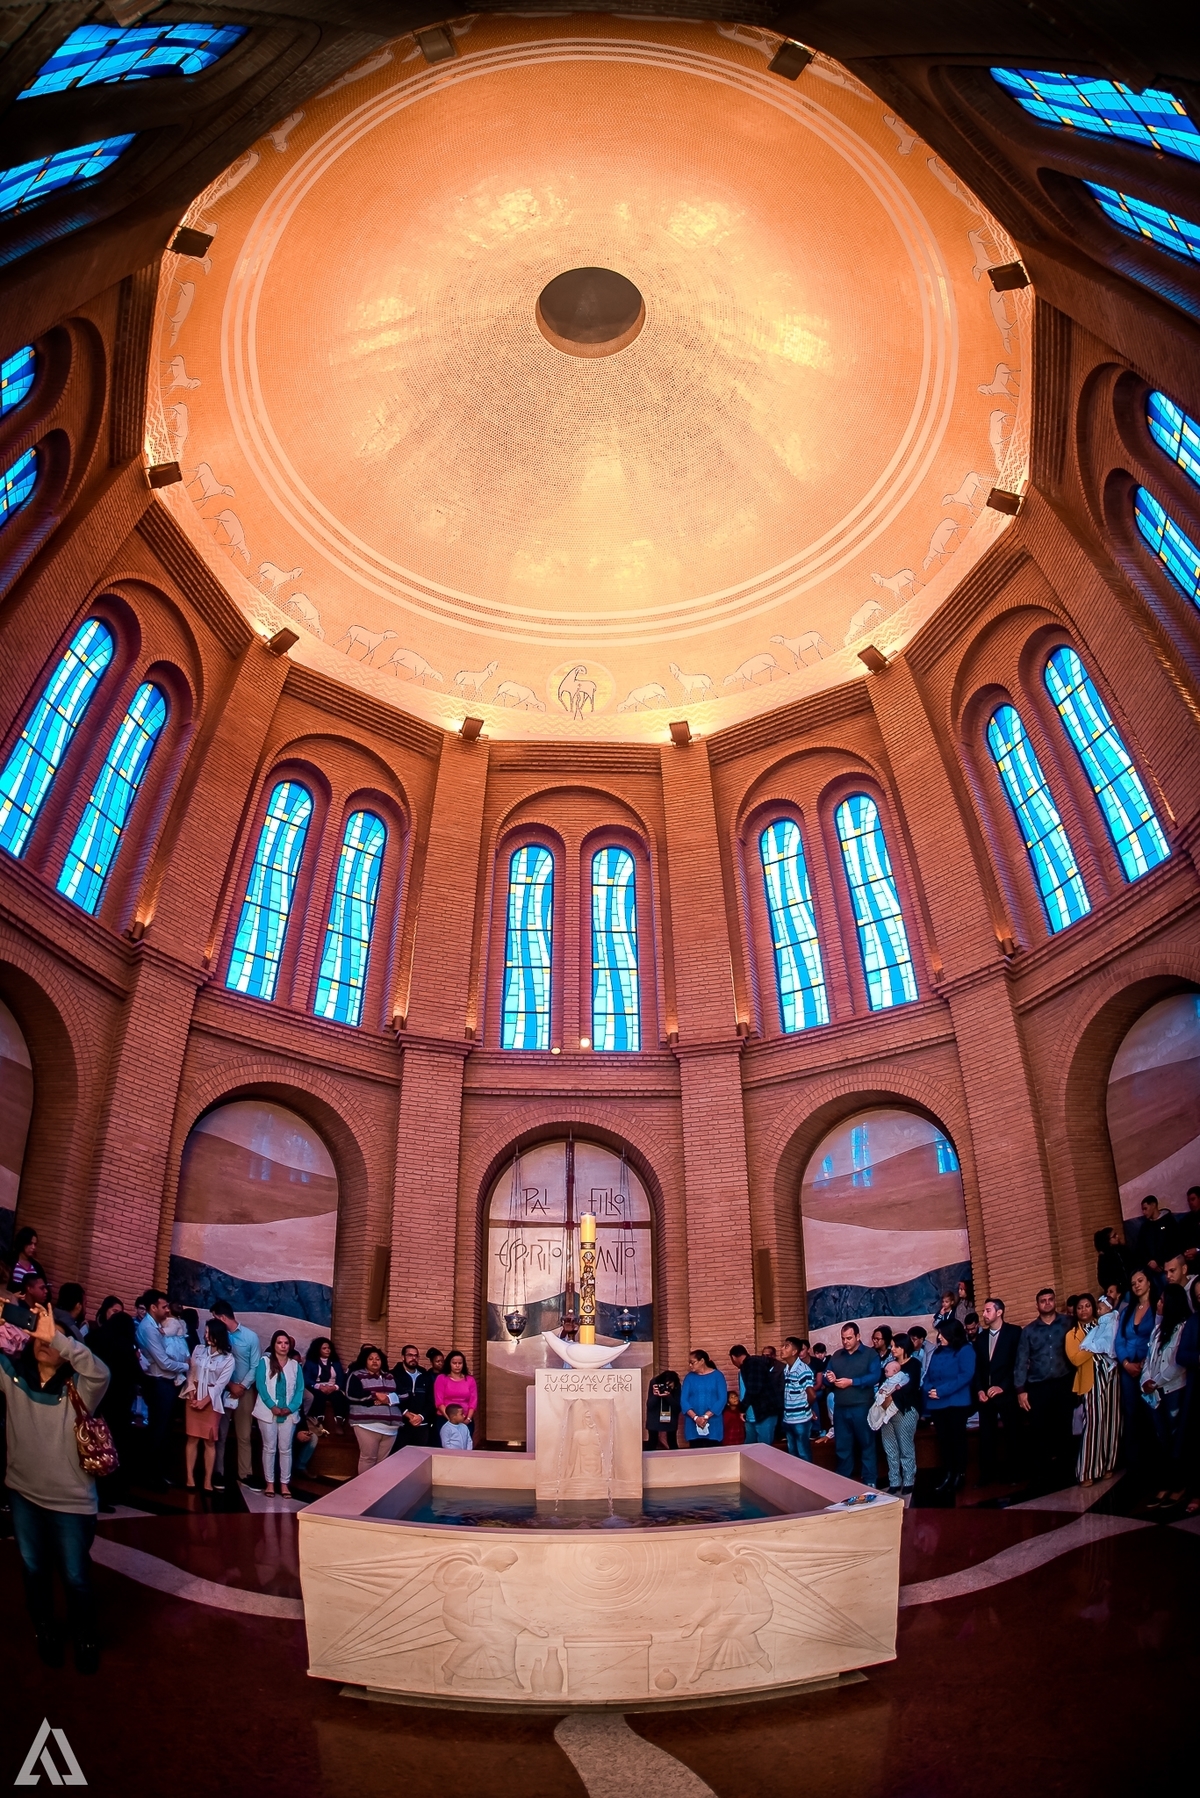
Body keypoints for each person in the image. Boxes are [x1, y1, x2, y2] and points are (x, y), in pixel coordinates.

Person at [0, 1301, 110, 1672]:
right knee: (33, 1569)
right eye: (40, 1335)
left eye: (55, 1338)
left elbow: (101, 1371)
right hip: (23, 1493)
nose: (45, 1342)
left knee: (75, 1575)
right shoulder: (13, 1376)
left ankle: (85, 1636)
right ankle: (45, 1629)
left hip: (71, 1501)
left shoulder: (81, 1387)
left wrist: (59, 1338)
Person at [1014, 1287, 1075, 1490]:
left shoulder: (1068, 1323)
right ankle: (1042, 1475)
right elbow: (1021, 1360)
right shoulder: (1029, 1331)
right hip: (1038, 1386)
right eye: (1043, 1300)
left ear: (1054, 1301)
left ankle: (1067, 1473)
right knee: (1039, 1431)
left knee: (1064, 1428)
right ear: (1037, 1305)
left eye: (1050, 1299)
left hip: (1063, 1382)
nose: (1047, 1303)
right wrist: (1020, 1390)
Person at [1142, 1284, 1190, 1508]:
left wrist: (1157, 1381)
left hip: (1173, 1389)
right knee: (1162, 1439)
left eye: (1162, 1300)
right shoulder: (1157, 1330)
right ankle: (1166, 1483)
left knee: (1175, 1438)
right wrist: (1145, 1379)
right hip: (1155, 1391)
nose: (1158, 1304)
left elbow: (1178, 1364)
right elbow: (1149, 1358)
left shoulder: (1182, 1328)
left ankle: (1180, 1486)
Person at [1066, 1293, 1121, 1485]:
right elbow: (1075, 1358)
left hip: (1111, 1376)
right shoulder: (1072, 1334)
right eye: (1080, 1307)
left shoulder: (1105, 1323)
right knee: (1093, 1423)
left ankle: (1108, 1464)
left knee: (1112, 1421)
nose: (1084, 1310)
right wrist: (1093, 1348)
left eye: (1087, 1306)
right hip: (1091, 1381)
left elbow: (1113, 1344)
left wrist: (1093, 1347)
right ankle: (1087, 1471)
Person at [89, 1304, 140, 1509]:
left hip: (94, 1402)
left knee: (94, 1448)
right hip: (118, 1406)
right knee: (112, 1449)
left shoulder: (93, 1338)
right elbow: (136, 1375)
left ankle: (93, 1492)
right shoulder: (124, 1346)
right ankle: (109, 1494)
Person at [209, 1300, 261, 1488]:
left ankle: (245, 1473)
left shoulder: (250, 1337)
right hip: (222, 1390)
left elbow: (255, 1366)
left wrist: (242, 1386)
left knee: (244, 1434)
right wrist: (230, 1385)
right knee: (220, 1433)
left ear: (223, 1317)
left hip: (244, 1391)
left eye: (215, 1317)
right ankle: (218, 1472)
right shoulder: (217, 1335)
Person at [134, 1290, 183, 1488]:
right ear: (153, 1307)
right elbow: (163, 1362)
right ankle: (151, 1476)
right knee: (158, 1430)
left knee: (162, 1430)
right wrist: (186, 1366)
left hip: (163, 1382)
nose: (167, 1310)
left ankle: (157, 1473)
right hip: (158, 1382)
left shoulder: (156, 1326)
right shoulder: (149, 1329)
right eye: (164, 1307)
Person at [922, 1319, 976, 1495]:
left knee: (957, 1440)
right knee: (944, 1441)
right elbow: (928, 1375)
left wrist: (941, 1391)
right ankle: (948, 1473)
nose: (939, 1337)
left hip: (956, 1402)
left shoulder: (965, 1350)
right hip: (937, 1403)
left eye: (942, 1333)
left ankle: (960, 1474)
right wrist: (929, 1389)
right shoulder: (937, 1352)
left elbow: (965, 1375)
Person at [825, 1323, 882, 1486]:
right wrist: (829, 1377)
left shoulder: (870, 1354)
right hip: (841, 1408)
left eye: (849, 1338)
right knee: (842, 1446)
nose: (845, 1342)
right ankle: (843, 1481)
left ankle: (870, 1480)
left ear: (858, 1336)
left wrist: (852, 1382)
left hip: (862, 1406)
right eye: (843, 1338)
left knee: (867, 1444)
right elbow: (827, 1375)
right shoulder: (837, 1355)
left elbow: (875, 1376)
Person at [183, 1317, 234, 1491]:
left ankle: (207, 1480)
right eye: (205, 1332)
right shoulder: (198, 1350)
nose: (205, 1336)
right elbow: (191, 1372)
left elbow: (220, 1385)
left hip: (211, 1400)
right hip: (194, 1395)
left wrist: (204, 1401)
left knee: (210, 1440)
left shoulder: (228, 1359)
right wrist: (191, 1393)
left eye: (208, 1333)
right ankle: (190, 1478)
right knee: (192, 1438)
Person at [974, 1297, 1022, 1484]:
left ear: (999, 1312)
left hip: (1007, 1393)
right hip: (986, 1396)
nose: (984, 1314)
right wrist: (980, 1389)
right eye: (984, 1311)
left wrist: (1003, 1386)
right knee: (986, 1436)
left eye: (988, 1310)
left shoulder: (1014, 1332)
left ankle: (1015, 1473)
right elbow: (978, 1368)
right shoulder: (980, 1338)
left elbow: (1018, 1364)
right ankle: (987, 1475)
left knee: (1013, 1434)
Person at [1114, 1267, 1156, 1473]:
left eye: (1140, 1280)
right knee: (1131, 1414)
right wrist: (1126, 1364)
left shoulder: (1158, 1306)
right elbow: (1119, 1340)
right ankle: (1135, 1465)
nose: (1136, 1285)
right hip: (1128, 1368)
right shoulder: (1127, 1311)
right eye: (1133, 1283)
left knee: (1151, 1412)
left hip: (1150, 1367)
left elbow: (1158, 1336)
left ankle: (1155, 1460)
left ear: (1149, 1282)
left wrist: (1145, 1363)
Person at [253, 1331, 304, 1496]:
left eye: (286, 1343)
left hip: (289, 1413)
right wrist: (272, 1406)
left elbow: (300, 1390)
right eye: (279, 1343)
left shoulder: (295, 1366)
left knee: (286, 1449)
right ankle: (269, 1483)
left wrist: (291, 1408)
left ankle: (284, 1484)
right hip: (267, 1411)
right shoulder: (265, 1362)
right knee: (269, 1448)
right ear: (274, 1344)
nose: (283, 1346)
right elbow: (260, 1385)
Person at [877, 1333, 920, 1497]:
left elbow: (911, 1387)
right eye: (892, 1346)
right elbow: (882, 1385)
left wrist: (891, 1396)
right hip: (886, 1411)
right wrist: (884, 1398)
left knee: (905, 1445)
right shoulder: (889, 1364)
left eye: (896, 1346)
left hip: (905, 1409)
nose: (892, 1349)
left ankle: (909, 1479)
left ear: (904, 1347)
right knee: (890, 1446)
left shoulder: (914, 1364)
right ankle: (894, 1480)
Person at [347, 1345, 401, 1471]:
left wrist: (388, 1399)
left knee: (383, 1463)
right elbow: (351, 1395)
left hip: (391, 1428)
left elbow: (404, 1395)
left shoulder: (390, 1376)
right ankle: (364, 1484)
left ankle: (378, 1485)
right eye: (371, 1359)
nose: (375, 1361)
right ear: (365, 1361)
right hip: (367, 1425)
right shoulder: (356, 1375)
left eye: (377, 1359)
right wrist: (374, 1396)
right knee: (368, 1459)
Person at [728, 1344, 782, 1446]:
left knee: (764, 1448)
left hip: (764, 1413)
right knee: (749, 1447)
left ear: (733, 1357)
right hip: (751, 1415)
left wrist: (742, 1408)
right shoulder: (744, 1368)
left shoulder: (753, 1364)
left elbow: (754, 1389)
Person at [390, 1342, 434, 1451]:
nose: (413, 1358)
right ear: (403, 1357)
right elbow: (392, 1398)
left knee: (420, 1456)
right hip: (401, 1424)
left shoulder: (425, 1376)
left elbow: (431, 1400)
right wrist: (407, 1414)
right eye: (410, 1355)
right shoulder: (393, 1375)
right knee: (400, 1456)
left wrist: (421, 1416)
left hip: (422, 1424)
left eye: (416, 1356)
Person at [681, 1349, 727, 1444]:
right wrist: (695, 1418)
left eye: (692, 1362)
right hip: (692, 1422)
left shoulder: (718, 1376)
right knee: (695, 1449)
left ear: (702, 1361)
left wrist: (706, 1416)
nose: (690, 1365)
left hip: (713, 1421)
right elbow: (683, 1400)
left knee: (713, 1449)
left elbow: (722, 1399)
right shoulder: (689, 1377)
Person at [780, 1338, 815, 1460]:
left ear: (794, 1351)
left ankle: (807, 1473)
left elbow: (812, 1395)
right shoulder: (787, 1369)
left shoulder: (802, 1370)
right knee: (792, 1454)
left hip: (800, 1419)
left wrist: (807, 1408)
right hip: (788, 1419)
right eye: (783, 1346)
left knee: (803, 1454)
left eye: (786, 1346)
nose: (782, 1349)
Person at [434, 1350, 478, 1433]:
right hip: (445, 1419)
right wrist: (451, 1420)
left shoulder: (470, 1380)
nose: (457, 1366)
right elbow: (439, 1402)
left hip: (466, 1420)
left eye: (460, 1363)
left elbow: (473, 1402)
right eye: (454, 1363)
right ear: (449, 1364)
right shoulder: (441, 1378)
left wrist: (468, 1419)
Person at [304, 1336, 347, 1422]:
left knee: (338, 1396)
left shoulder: (335, 1362)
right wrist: (319, 1387)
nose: (327, 1350)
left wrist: (335, 1387)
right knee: (319, 1396)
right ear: (318, 1350)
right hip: (317, 1387)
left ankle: (339, 1419)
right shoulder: (311, 1362)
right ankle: (318, 1418)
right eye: (324, 1348)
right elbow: (306, 1378)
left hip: (332, 1386)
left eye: (329, 1348)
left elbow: (341, 1377)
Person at [1136, 1195, 1179, 1279]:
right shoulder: (1145, 1226)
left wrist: (1159, 1261)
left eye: (1145, 1209)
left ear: (1153, 1205)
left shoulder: (1169, 1221)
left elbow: (1173, 1244)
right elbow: (1140, 1247)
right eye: (1142, 1210)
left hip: (1168, 1265)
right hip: (1150, 1268)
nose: (1144, 1212)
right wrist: (1149, 1262)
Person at [646, 1369, 682, 1449]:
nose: (667, 1387)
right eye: (666, 1385)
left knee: (672, 1442)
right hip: (654, 1417)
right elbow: (650, 1405)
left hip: (670, 1417)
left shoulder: (677, 1385)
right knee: (652, 1441)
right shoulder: (654, 1382)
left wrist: (669, 1397)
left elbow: (677, 1408)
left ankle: (675, 1457)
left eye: (670, 1386)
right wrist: (656, 1395)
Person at [1095, 1226, 1131, 1296]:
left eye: (1116, 1234)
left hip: (1131, 1285)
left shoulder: (1124, 1249)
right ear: (1108, 1241)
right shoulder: (1104, 1257)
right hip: (1120, 1292)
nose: (1117, 1236)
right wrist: (1116, 1286)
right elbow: (1102, 1279)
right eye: (1114, 1236)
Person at [8, 1227, 45, 1293]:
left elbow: (44, 1289)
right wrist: (11, 1295)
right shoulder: (9, 1260)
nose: (33, 1247)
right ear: (23, 1242)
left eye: (35, 1244)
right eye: (30, 1243)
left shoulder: (37, 1267)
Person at [1179, 1187, 1200, 1268]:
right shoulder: (1186, 1220)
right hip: (1189, 1259)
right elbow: (1180, 1239)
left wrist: (1197, 1250)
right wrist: (1185, 1253)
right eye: (1189, 1201)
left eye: (1193, 1199)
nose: (1190, 1203)